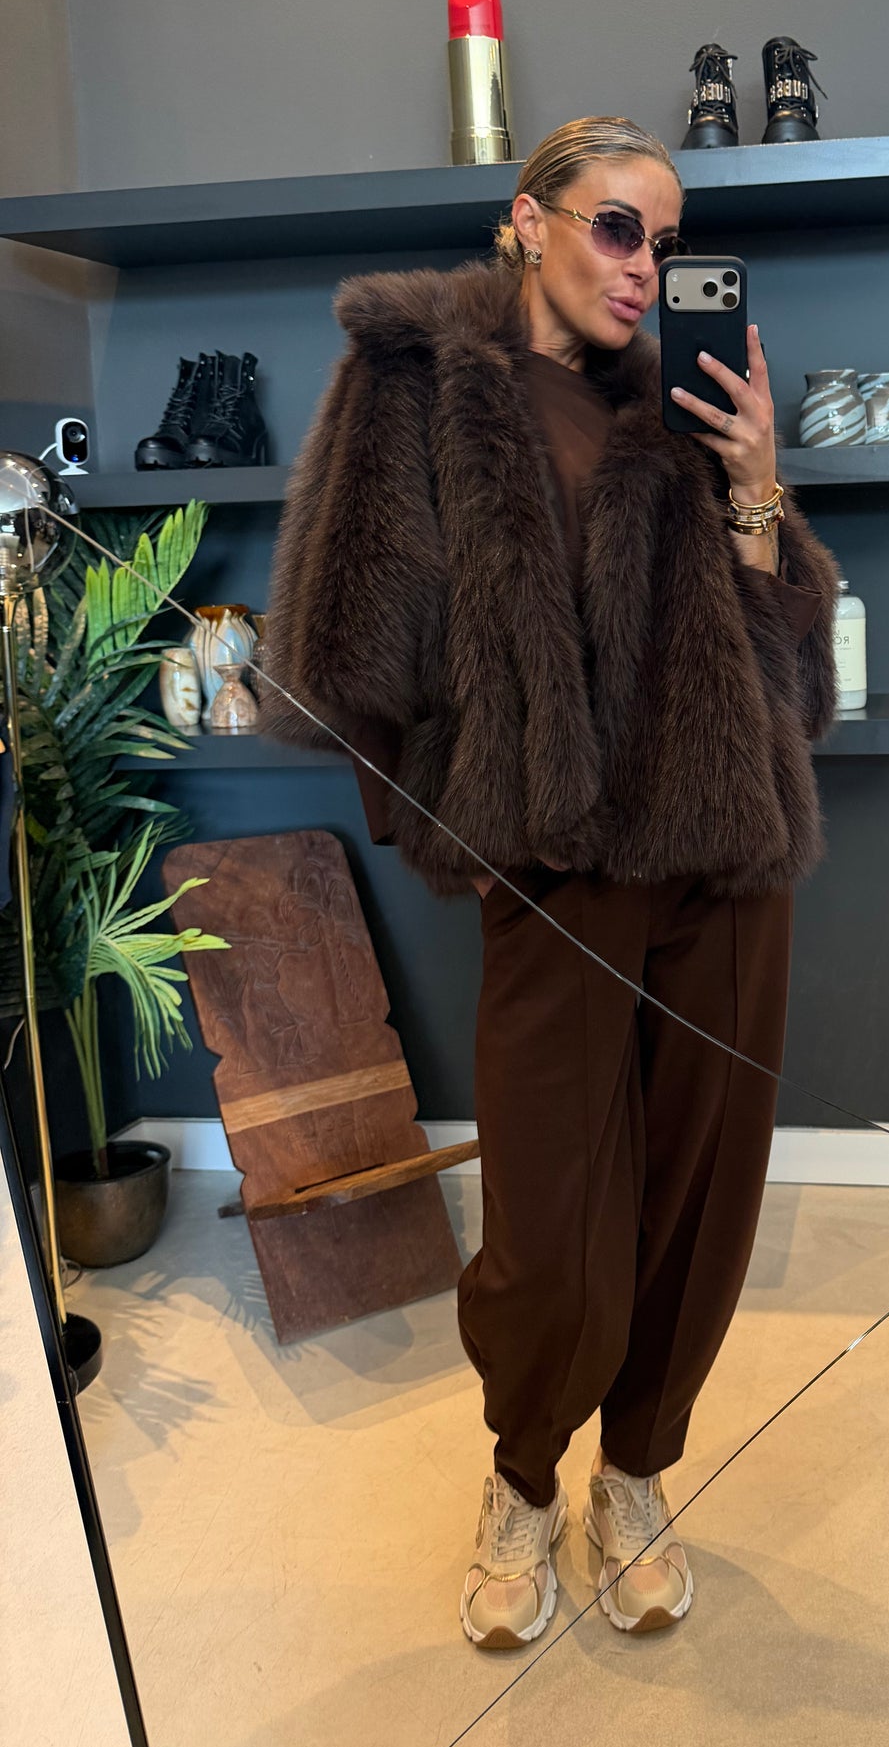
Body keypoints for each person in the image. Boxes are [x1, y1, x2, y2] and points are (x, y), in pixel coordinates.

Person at [260, 117, 841, 1648]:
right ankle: (523, 1474)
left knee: (700, 1196)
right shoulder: (419, 380)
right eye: (616, 227)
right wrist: (462, 830)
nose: (645, 267)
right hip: (562, 869)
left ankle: (633, 1474)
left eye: (668, 240)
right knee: (549, 1218)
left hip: (729, 854)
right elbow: (341, 646)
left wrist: (757, 487)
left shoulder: (683, 400)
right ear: (529, 221)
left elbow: (796, 673)